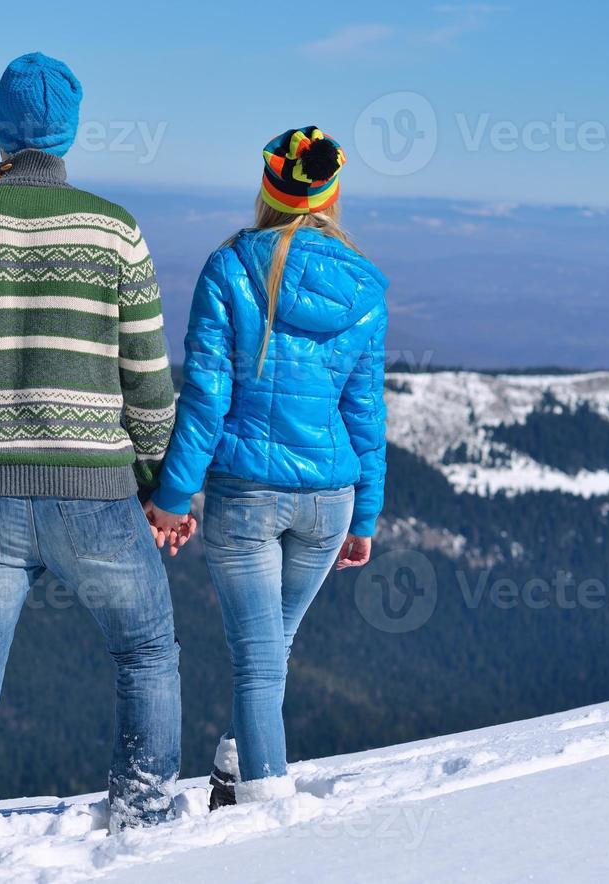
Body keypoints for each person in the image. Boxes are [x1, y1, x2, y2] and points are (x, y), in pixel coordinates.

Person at [0, 52, 190, 854]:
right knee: (146, 650)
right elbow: (147, 383)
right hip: (96, 491)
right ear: (68, 133)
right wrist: (163, 487)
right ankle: (145, 826)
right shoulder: (115, 229)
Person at [145, 126, 389, 808]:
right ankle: (234, 764)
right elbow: (364, 410)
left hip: (245, 493)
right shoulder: (364, 287)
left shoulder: (229, 267)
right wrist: (364, 512)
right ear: (330, 195)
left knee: (258, 660)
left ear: (267, 188)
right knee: (270, 650)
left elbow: (205, 395)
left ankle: (265, 822)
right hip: (329, 495)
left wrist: (173, 494)